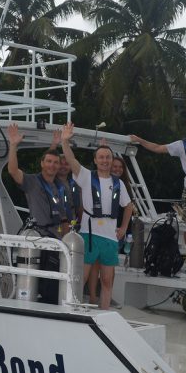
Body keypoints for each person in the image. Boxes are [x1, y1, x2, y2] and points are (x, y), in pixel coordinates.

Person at [59, 122, 132, 310]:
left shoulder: (118, 183)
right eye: (101, 157)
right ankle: (71, 309)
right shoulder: (85, 176)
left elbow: (128, 206)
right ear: (95, 159)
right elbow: (71, 160)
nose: (105, 160)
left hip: (110, 238)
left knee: (107, 281)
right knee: (80, 277)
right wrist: (65, 141)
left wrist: (123, 227)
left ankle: (104, 313)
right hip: (89, 234)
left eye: (108, 157)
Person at [6, 123, 72, 305]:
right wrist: (13, 145)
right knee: (39, 283)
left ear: (59, 166)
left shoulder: (62, 187)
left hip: (58, 240)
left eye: (55, 162)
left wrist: (67, 240)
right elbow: (12, 171)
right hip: (39, 240)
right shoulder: (32, 182)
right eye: (48, 162)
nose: (52, 165)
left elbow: (65, 215)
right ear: (42, 164)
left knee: (54, 284)